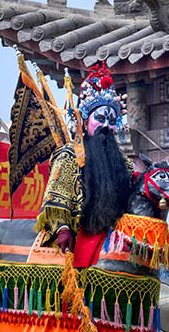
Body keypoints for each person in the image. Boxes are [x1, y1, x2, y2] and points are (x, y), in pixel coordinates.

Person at [33, 62, 134, 266]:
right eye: (101, 118)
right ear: (85, 121)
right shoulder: (69, 155)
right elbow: (56, 196)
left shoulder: (125, 164)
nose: (106, 125)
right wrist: (62, 228)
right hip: (77, 229)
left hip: (113, 234)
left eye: (112, 120)